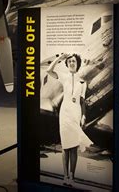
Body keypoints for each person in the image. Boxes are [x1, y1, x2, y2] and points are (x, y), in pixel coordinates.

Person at [46, 53, 93, 187]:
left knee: (74, 147)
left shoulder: (83, 81)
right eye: (70, 61)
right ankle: (65, 176)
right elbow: (49, 71)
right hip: (65, 113)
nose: (72, 63)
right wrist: (59, 59)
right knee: (65, 146)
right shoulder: (64, 77)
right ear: (67, 64)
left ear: (78, 64)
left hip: (76, 113)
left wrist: (84, 116)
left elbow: (82, 101)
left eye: (74, 61)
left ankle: (72, 175)